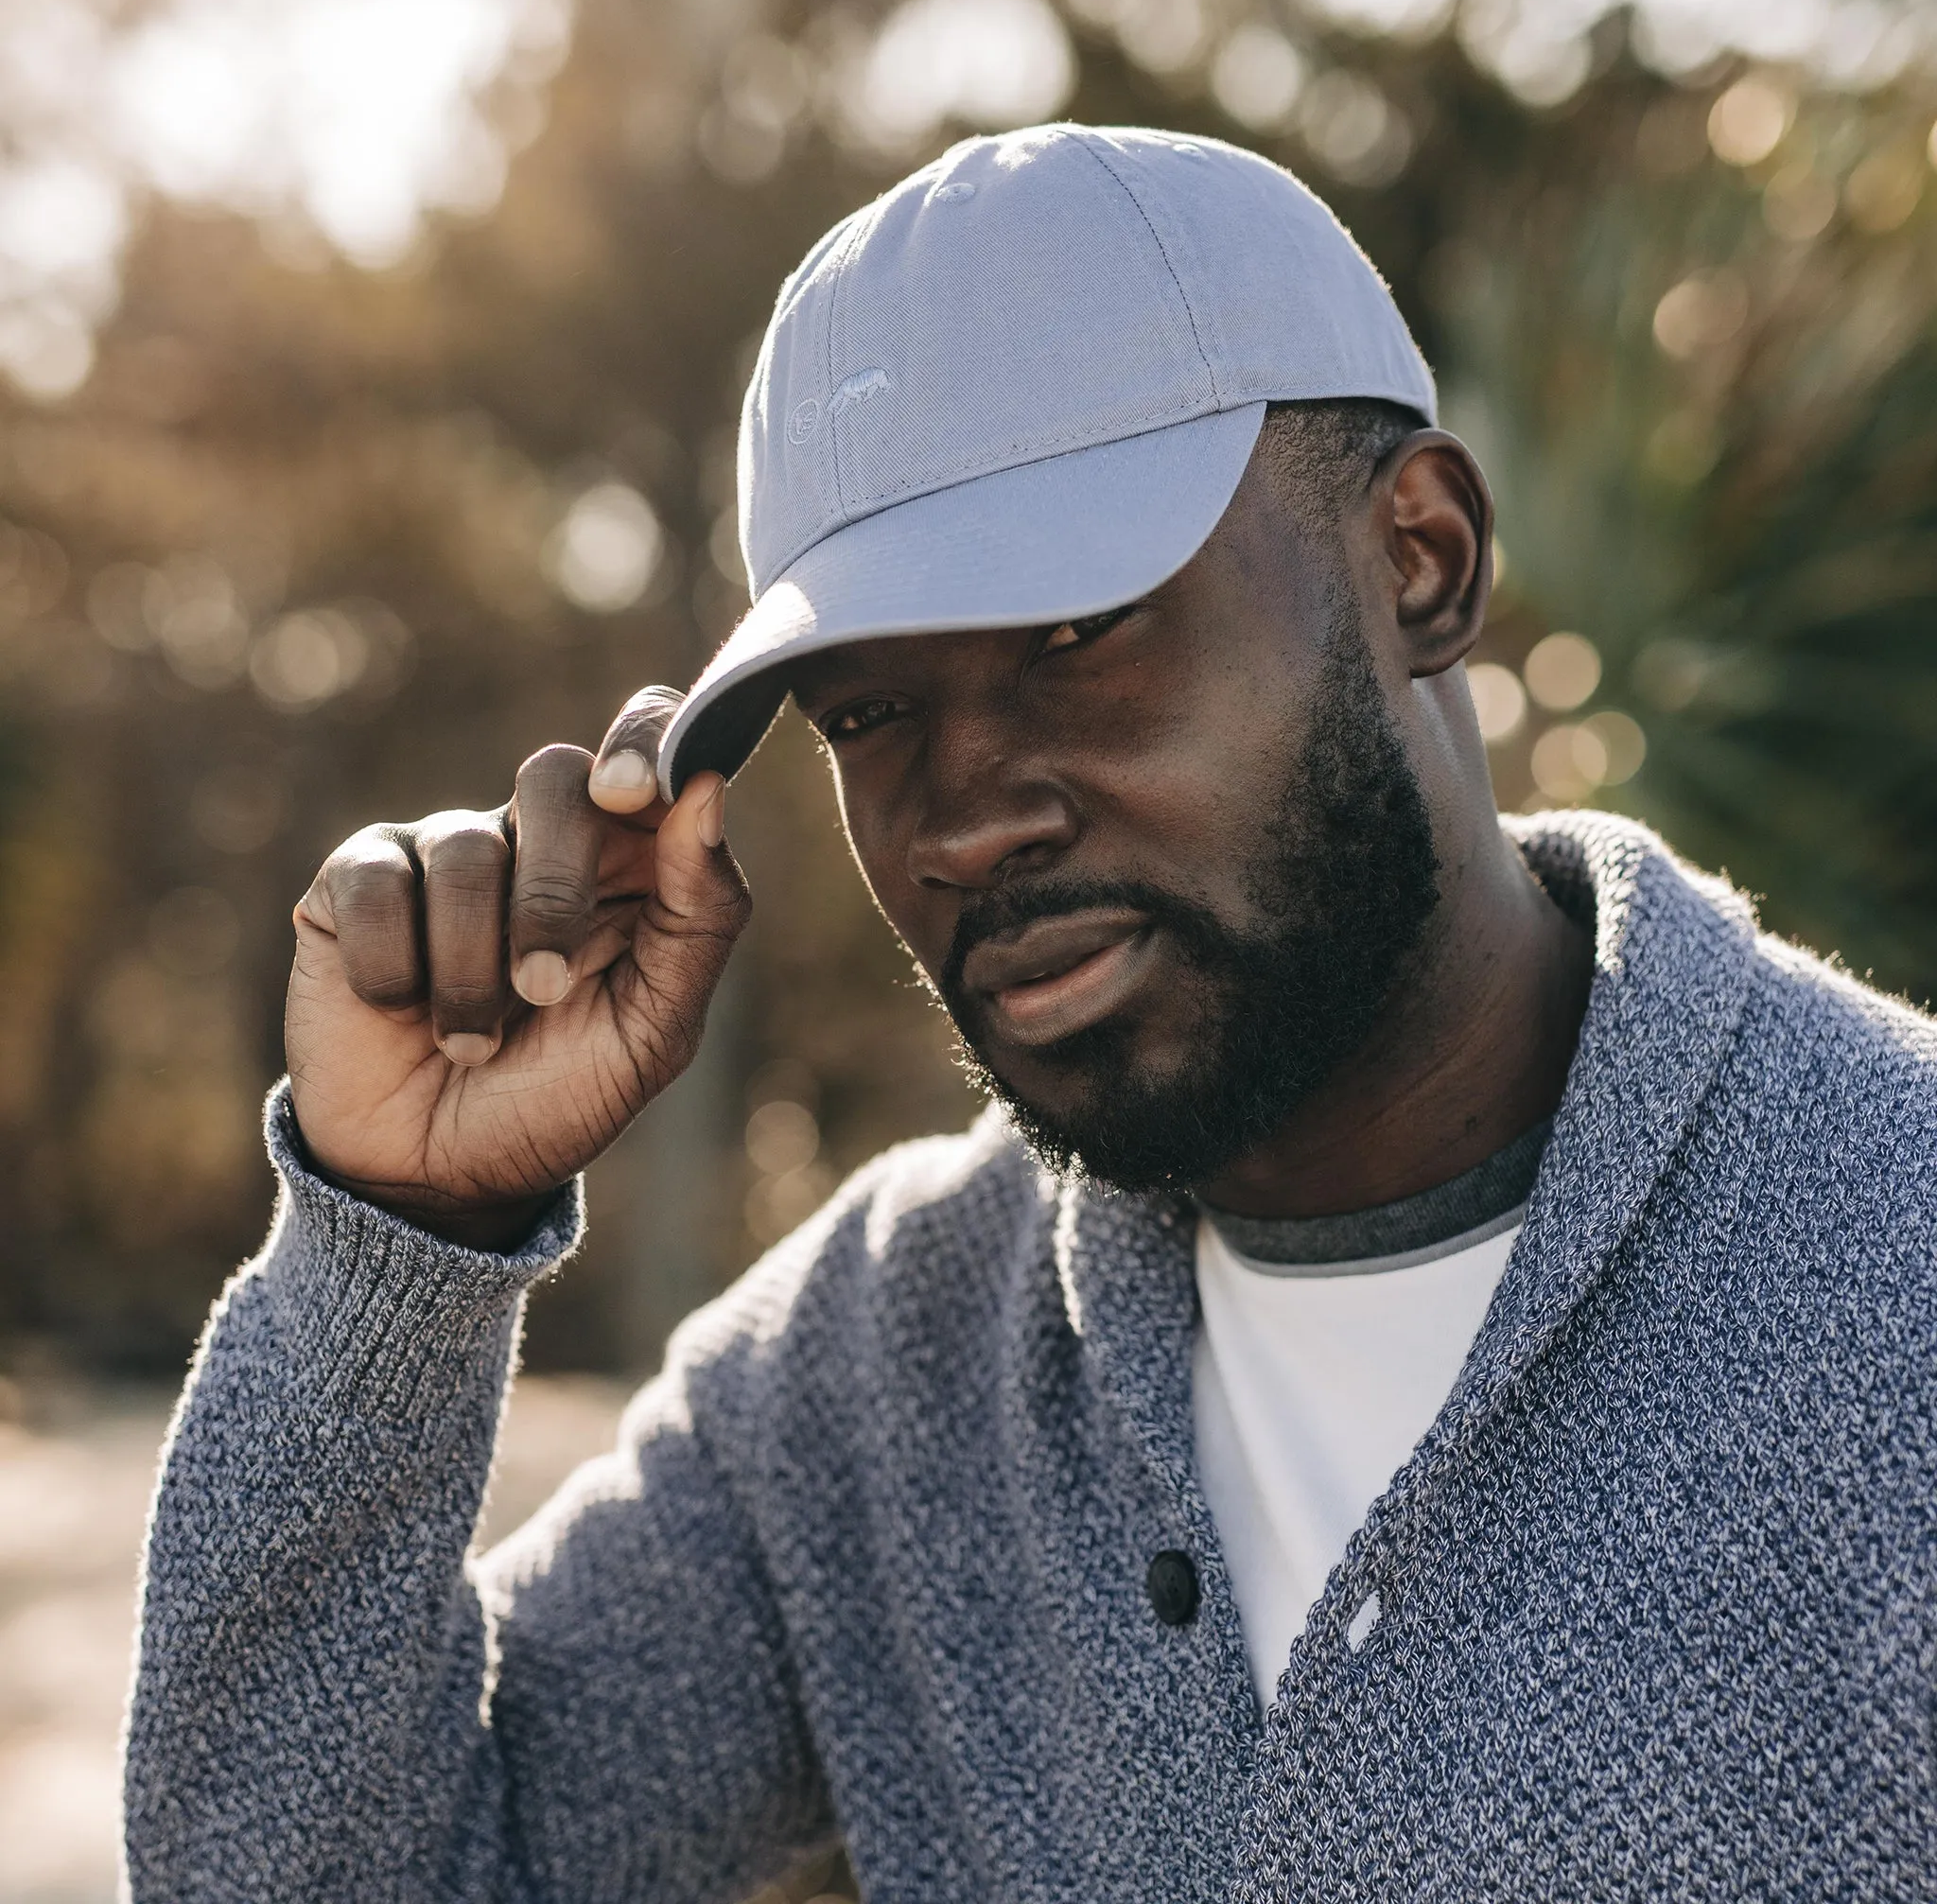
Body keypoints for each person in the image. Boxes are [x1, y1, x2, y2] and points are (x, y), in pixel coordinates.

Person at [123, 127, 1937, 1902]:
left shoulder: (1893, 1247)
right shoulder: (877, 1368)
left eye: (1081, 629)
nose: (967, 813)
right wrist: (408, 1235)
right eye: (869, 715)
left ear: (1422, 562)